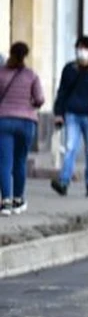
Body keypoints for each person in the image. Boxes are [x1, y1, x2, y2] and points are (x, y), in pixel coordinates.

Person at [51, 35, 88, 197]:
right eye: (79, 48)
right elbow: (62, 92)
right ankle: (64, 182)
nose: (82, 52)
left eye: (85, 49)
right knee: (70, 148)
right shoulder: (69, 69)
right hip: (72, 115)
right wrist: (58, 113)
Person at [0, 42, 44, 215]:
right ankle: (19, 200)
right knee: (20, 161)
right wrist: (29, 104)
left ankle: (5, 202)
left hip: (4, 121)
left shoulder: (1, 74)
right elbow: (40, 99)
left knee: (4, 162)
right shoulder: (31, 75)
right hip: (26, 123)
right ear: (25, 56)